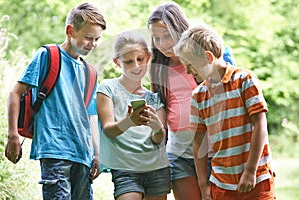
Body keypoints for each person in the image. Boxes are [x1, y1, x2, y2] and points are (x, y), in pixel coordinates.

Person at [5, 3, 106, 199]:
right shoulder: (48, 56)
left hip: (83, 155)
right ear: (70, 30)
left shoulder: (90, 73)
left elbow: (91, 115)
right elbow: (15, 93)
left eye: (97, 39)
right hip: (55, 151)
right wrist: (12, 135)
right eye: (88, 37)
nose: (92, 44)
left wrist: (97, 153)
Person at [174, 23, 276, 199]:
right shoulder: (198, 96)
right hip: (221, 185)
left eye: (190, 65)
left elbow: (260, 126)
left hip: (257, 179)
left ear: (207, 57)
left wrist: (250, 171)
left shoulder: (245, 80)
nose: (188, 71)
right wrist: (204, 185)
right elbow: (199, 143)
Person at [147, 2, 235, 199]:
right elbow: (161, 110)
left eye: (167, 35)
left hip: (213, 149)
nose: (162, 43)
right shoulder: (157, 68)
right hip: (179, 153)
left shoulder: (203, 58)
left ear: (180, 29)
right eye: (156, 38)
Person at [97, 30, 170, 200]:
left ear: (148, 56)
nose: (136, 66)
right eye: (128, 62)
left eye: (140, 59)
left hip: (156, 168)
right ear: (117, 62)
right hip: (125, 168)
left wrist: (157, 128)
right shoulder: (108, 88)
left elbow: (157, 139)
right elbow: (108, 129)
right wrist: (129, 122)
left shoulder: (154, 97)